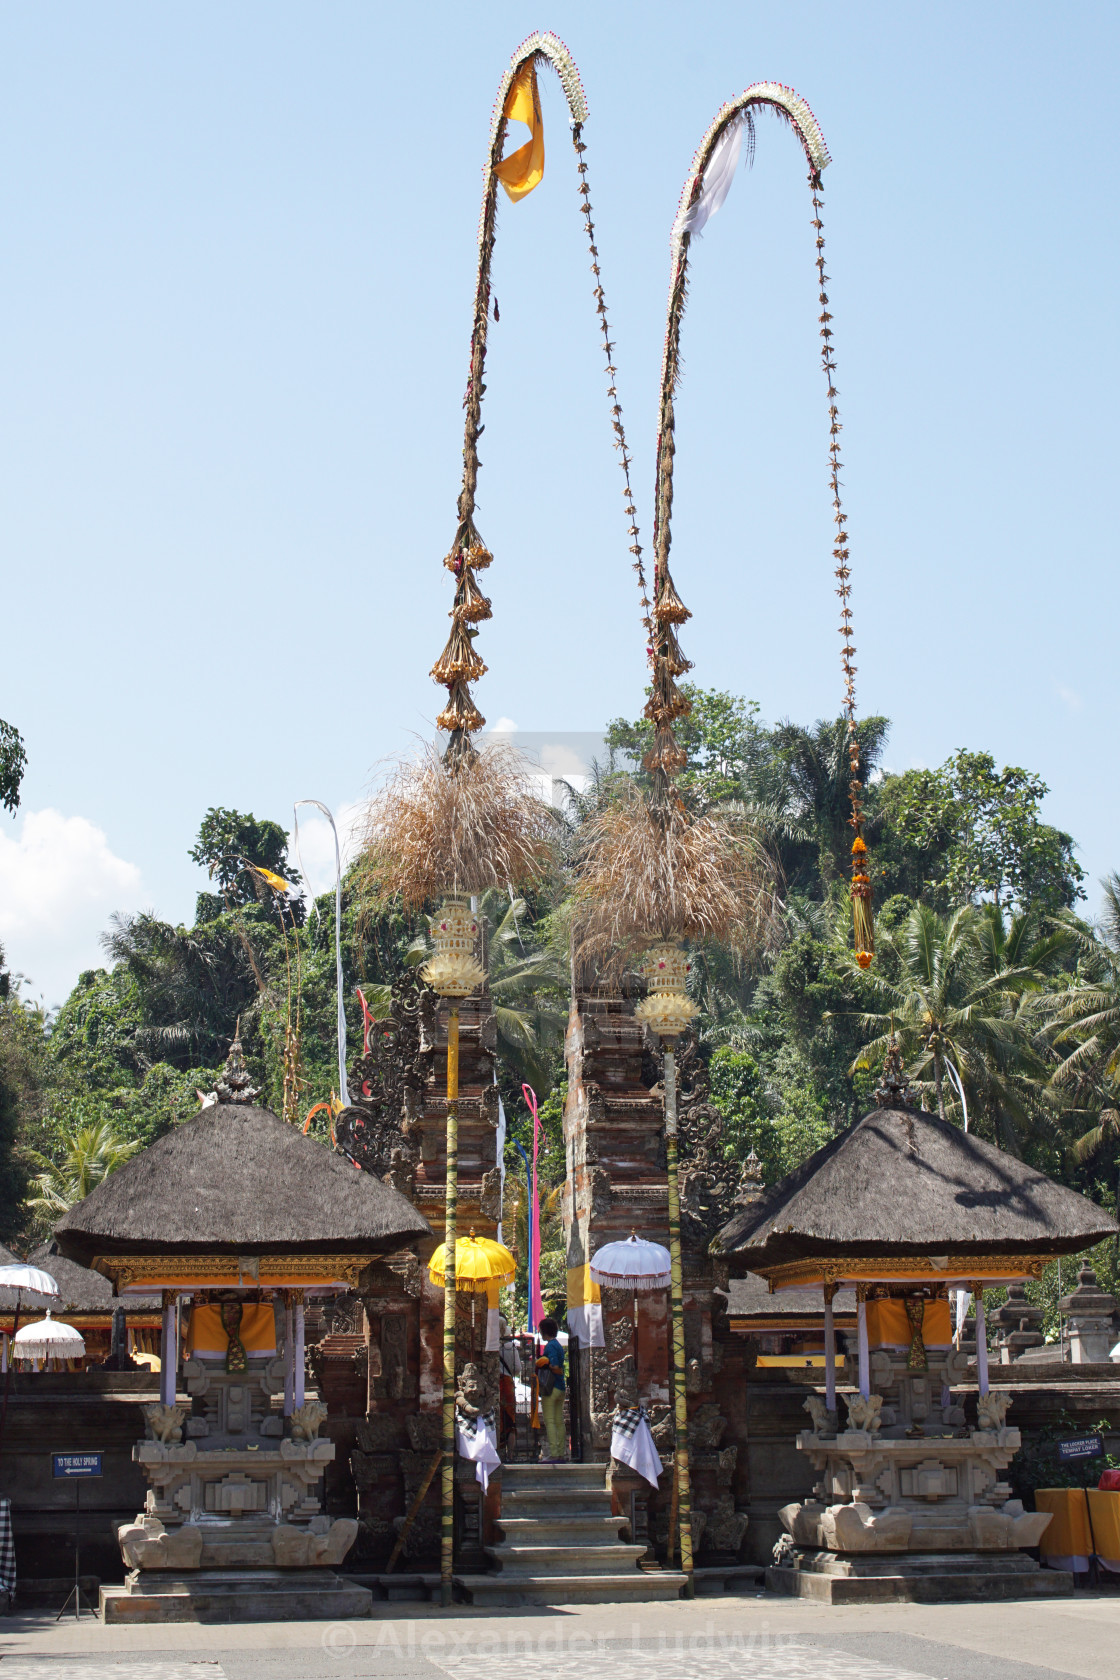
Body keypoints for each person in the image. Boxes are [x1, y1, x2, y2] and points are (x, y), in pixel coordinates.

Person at [535, 1316, 567, 1462]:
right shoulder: (558, 1345)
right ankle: (561, 1452)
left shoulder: (550, 1346)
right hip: (560, 1387)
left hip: (551, 1387)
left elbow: (556, 1368)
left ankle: (554, 1453)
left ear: (544, 1331)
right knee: (559, 1420)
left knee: (550, 1421)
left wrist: (544, 1364)